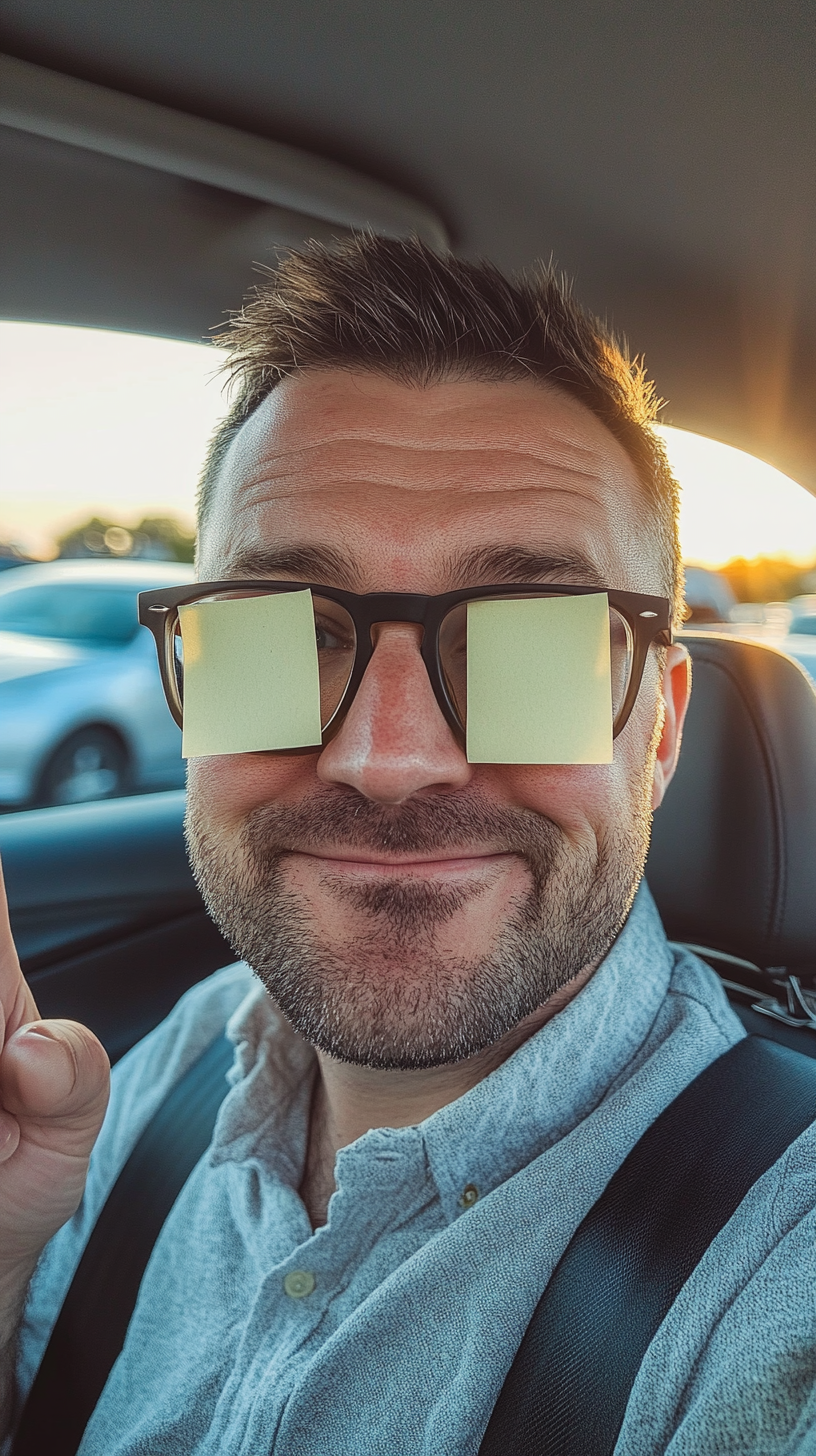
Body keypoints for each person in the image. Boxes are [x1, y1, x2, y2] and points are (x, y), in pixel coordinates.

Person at [1, 235, 814, 1455]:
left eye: (535, 645)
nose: (390, 758)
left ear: (659, 734)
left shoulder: (780, 1258)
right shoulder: (158, 1074)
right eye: (287, 636)